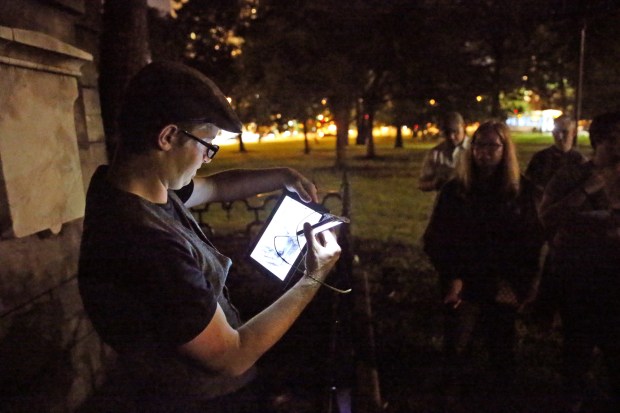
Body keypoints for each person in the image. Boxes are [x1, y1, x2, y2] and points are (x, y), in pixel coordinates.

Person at [77, 61, 341, 413]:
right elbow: (230, 357)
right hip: (203, 398)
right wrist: (314, 275)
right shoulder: (146, 244)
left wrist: (281, 176)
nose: (207, 158)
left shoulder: (129, 186)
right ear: (168, 136)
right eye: (207, 145)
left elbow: (216, 186)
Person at [423, 121, 543, 407]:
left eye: (492, 145)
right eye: (479, 144)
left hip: (502, 283)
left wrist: (517, 286)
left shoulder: (522, 192)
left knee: (500, 351)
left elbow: (531, 242)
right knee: (457, 349)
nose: (484, 152)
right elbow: (437, 238)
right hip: (464, 282)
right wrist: (452, 276)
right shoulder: (456, 190)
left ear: (505, 149)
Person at [538, 111, 620, 412]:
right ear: (596, 140)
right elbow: (545, 219)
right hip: (579, 281)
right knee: (577, 352)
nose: (618, 146)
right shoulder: (573, 175)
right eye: (612, 140)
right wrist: (587, 190)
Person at [525, 114, 586, 206]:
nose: (560, 137)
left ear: (574, 133)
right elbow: (529, 186)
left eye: (564, 132)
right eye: (557, 131)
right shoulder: (540, 158)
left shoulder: (580, 161)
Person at [418, 111, 469, 192]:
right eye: (447, 132)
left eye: (455, 131)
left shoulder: (474, 150)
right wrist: (435, 184)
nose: (451, 137)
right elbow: (422, 184)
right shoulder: (435, 153)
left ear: (463, 127)